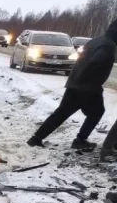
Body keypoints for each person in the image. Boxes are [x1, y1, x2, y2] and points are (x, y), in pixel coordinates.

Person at [27, 19, 117, 151]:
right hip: (87, 87)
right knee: (96, 112)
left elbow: (83, 59)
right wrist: (87, 80)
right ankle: (80, 140)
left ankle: (36, 138)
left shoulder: (96, 40)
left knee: (62, 113)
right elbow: (95, 62)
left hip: (76, 84)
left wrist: (79, 79)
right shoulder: (109, 46)